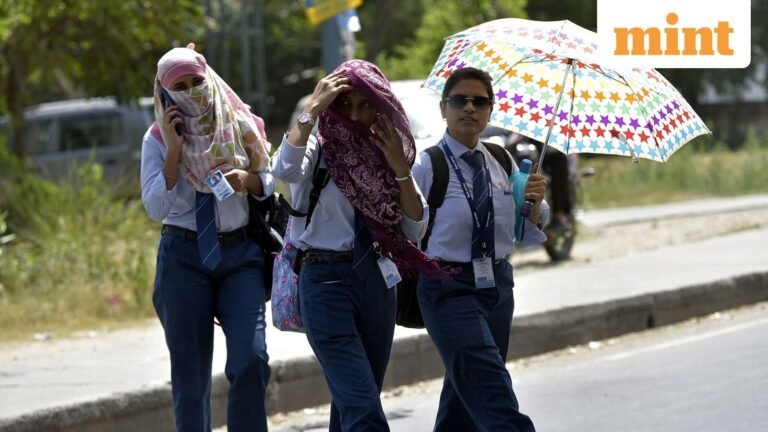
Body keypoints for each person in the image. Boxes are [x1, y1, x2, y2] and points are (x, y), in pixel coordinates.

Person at [271, 59, 449, 431]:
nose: (354, 114)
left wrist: (399, 168)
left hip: (377, 283)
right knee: (363, 407)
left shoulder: (390, 153)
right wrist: (310, 112)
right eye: (345, 104)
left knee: (355, 400)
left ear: (381, 105)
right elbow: (284, 170)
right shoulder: (316, 149)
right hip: (325, 282)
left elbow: (413, 226)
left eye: (364, 104)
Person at [140, 43, 273, 432]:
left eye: (197, 81)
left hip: (240, 257)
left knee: (251, 360)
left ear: (209, 78)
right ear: (166, 96)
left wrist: (246, 180)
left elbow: (269, 180)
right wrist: (174, 154)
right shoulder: (156, 140)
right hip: (183, 260)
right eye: (180, 86)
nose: (192, 90)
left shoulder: (241, 123)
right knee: (190, 376)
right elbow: (155, 207)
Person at [411, 67, 549, 432]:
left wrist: (534, 203)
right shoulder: (427, 165)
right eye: (460, 100)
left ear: (491, 110)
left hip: (498, 287)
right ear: (444, 108)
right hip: (448, 289)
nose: (469, 108)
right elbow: (407, 228)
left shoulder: (502, 160)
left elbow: (525, 229)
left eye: (480, 101)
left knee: (463, 400)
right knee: (493, 393)